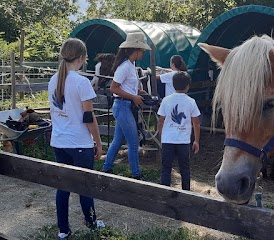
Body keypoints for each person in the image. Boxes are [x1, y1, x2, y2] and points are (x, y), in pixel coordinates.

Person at [48, 38, 104, 239]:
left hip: (59, 142)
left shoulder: (53, 80)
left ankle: (63, 230)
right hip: (79, 142)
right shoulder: (81, 82)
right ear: (81, 58)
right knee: (85, 185)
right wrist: (98, 142)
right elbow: (88, 117)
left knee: (63, 187)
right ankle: (91, 222)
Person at [102, 32, 151, 180]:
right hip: (123, 106)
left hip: (124, 105)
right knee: (133, 141)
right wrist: (133, 97)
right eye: (142, 50)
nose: (143, 53)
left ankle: (106, 168)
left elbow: (124, 86)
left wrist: (137, 91)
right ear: (135, 50)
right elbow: (114, 88)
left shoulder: (130, 65)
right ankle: (136, 174)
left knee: (118, 140)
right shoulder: (125, 67)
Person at [157, 71, 201, 190]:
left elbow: (161, 121)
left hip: (168, 139)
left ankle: (164, 191)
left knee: (166, 168)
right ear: (187, 86)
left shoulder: (166, 100)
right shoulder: (191, 102)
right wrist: (196, 141)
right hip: (183, 140)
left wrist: (162, 137)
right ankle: (186, 192)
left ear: (173, 84)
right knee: (185, 169)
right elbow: (196, 123)